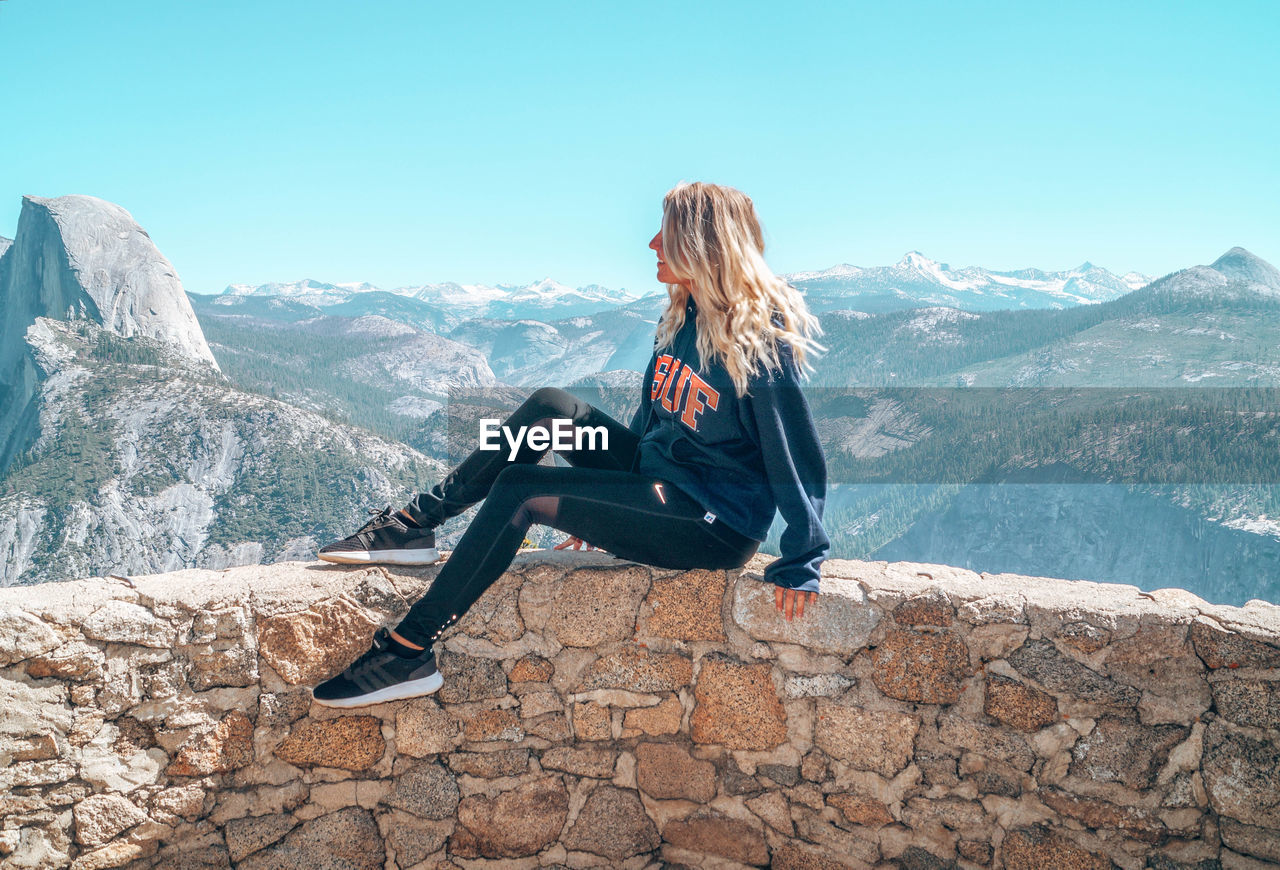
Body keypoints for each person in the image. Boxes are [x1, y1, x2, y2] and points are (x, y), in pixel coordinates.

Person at [310, 181, 830, 708]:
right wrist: (605, 502)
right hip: (656, 483)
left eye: (665, 233)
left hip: (709, 523)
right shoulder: (682, 316)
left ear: (700, 244)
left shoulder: (758, 335)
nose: (652, 243)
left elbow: (795, 452)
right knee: (552, 406)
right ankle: (413, 525)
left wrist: (802, 559)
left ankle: (407, 650)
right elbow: (652, 419)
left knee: (521, 489)